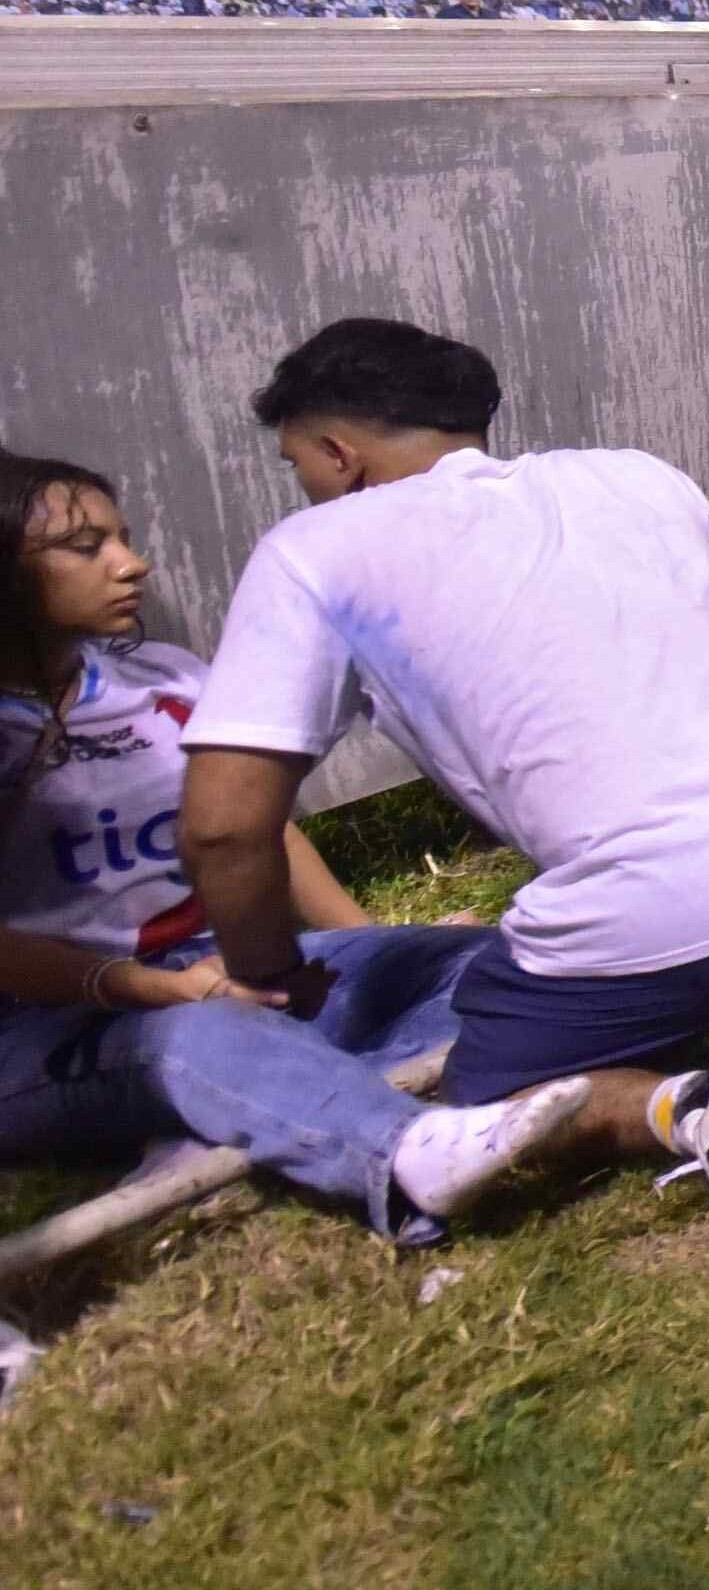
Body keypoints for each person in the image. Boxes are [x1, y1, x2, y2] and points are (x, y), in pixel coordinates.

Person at [173, 320, 709, 1270]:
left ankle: (705, 1107)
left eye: (295, 459)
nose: (301, 481)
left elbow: (225, 828)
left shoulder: (316, 551)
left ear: (338, 454)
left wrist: (270, 975)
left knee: (489, 1110)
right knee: (699, 887)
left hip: (673, 904)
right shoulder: (633, 475)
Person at [0, 452, 598, 1245]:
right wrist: (163, 992)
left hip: (221, 972)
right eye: (87, 546)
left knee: (486, 963)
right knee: (193, 1043)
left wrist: (370, 947)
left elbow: (260, 831)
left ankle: (246, 1118)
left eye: (125, 538)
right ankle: (402, 1152)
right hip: (63, 1023)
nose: (131, 563)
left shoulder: (165, 681)